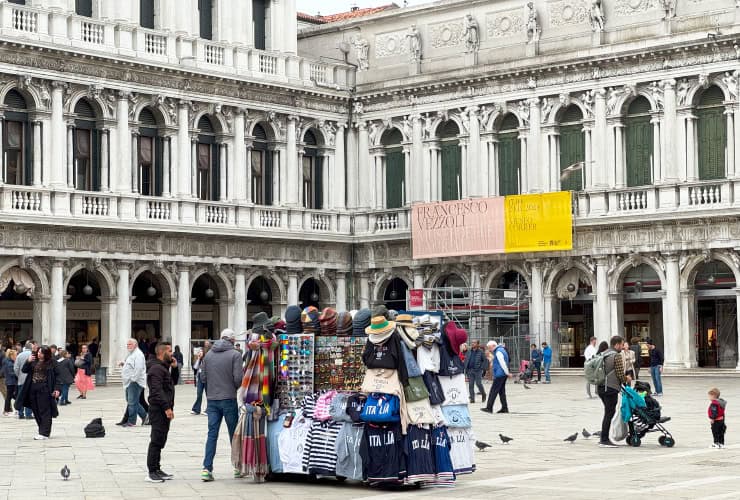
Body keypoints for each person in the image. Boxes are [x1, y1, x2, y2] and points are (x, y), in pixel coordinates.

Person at [200, 330, 243, 482]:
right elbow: (238, 378)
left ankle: (206, 469)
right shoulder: (235, 354)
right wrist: (233, 388)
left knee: (212, 434)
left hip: (212, 400)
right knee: (234, 434)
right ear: (232, 339)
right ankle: (238, 467)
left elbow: (203, 377)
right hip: (229, 398)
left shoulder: (209, 354)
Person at [145, 342, 178, 483]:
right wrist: (166, 408)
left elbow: (173, 383)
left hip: (163, 409)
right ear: (161, 352)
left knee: (161, 439)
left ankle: (157, 469)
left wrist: (174, 368)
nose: (172, 354)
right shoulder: (156, 369)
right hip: (158, 410)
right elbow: (156, 391)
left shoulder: (163, 368)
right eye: (170, 351)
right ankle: (152, 471)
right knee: (156, 440)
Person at [20, 346, 60, 440]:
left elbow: (58, 377)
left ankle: (44, 433)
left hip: (45, 389)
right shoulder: (33, 361)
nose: (39, 354)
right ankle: (41, 430)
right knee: (36, 410)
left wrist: (57, 389)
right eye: (38, 352)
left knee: (45, 411)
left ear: (46, 354)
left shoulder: (52, 362)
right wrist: (28, 361)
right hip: (33, 389)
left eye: (41, 353)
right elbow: (24, 370)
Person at [597, 336, 627, 448]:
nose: (623, 347)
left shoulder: (603, 353)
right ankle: (604, 439)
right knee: (609, 413)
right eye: (622, 344)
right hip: (610, 388)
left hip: (600, 387)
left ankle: (604, 437)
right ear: (617, 344)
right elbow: (620, 374)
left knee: (608, 412)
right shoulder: (616, 355)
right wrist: (626, 379)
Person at [120, 338, 148, 427]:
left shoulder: (138, 354)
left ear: (135, 345)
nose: (128, 346)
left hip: (135, 382)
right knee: (132, 401)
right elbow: (131, 366)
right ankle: (145, 416)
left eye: (130, 344)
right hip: (129, 381)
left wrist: (133, 379)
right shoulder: (131, 354)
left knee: (132, 402)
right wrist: (123, 364)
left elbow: (138, 368)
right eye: (127, 344)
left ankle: (131, 421)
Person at [481, 340, 511, 414]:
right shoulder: (502, 350)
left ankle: (489, 407)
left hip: (500, 374)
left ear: (493, 346)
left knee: (493, 391)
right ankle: (504, 408)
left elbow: (503, 363)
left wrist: (507, 373)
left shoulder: (498, 352)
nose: (489, 349)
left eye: (489, 347)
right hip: (502, 374)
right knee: (501, 392)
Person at [14, 340, 36, 419]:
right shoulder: (33, 355)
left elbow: (16, 368)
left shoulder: (19, 355)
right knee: (29, 397)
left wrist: (19, 376)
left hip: (21, 380)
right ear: (31, 348)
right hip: (30, 380)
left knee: (20, 396)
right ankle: (28, 414)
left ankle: (20, 413)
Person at [191, 341, 212, 415]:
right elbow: (195, 367)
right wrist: (199, 359)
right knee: (199, 393)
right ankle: (196, 409)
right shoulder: (200, 359)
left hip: (207, 376)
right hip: (200, 376)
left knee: (208, 394)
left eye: (202, 351)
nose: (201, 352)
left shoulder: (210, 357)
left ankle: (209, 410)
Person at [2, 349, 18, 416]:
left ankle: (8, 410)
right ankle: (7, 410)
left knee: (11, 396)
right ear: (11, 355)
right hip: (11, 382)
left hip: (10, 382)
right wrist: (17, 374)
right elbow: (11, 373)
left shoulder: (7, 361)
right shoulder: (9, 363)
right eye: (15, 355)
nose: (16, 357)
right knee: (10, 396)